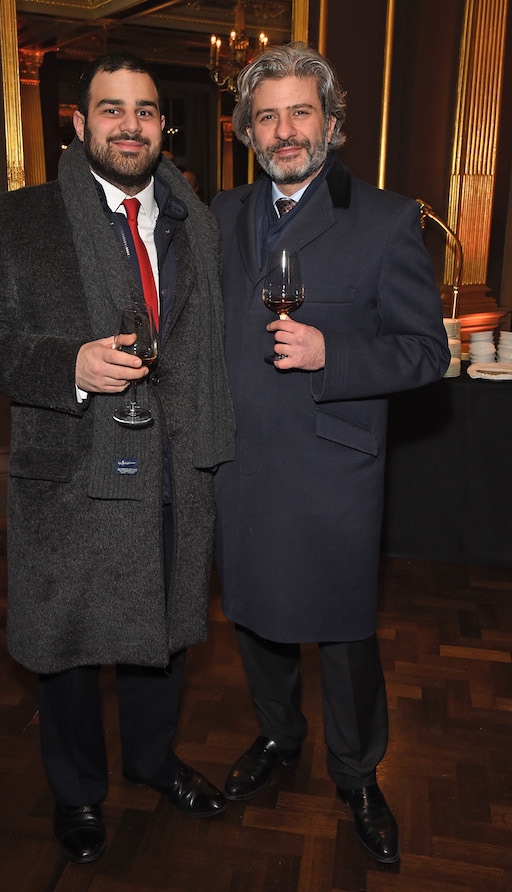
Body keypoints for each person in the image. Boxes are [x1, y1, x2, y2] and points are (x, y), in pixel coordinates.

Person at [0, 52, 235, 864]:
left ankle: (152, 760)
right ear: (78, 125)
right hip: (71, 471)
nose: (131, 125)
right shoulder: (17, 221)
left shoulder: (194, 220)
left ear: (162, 126)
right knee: (68, 643)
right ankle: (76, 790)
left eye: (145, 110)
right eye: (111, 110)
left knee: (166, 631)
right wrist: (67, 365)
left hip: (175, 464)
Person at [210, 43, 449, 865]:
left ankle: (357, 774)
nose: (284, 130)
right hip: (239, 463)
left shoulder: (385, 219)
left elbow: (426, 353)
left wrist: (331, 354)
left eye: (299, 112)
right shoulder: (220, 213)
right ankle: (278, 737)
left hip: (332, 467)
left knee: (342, 637)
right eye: (267, 115)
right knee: (254, 619)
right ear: (246, 130)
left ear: (333, 125)